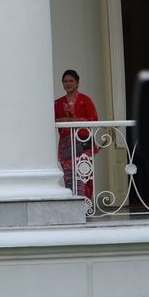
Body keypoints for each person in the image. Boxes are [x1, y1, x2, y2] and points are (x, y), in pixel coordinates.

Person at [54, 69, 99, 199]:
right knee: (69, 176)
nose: (68, 84)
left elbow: (94, 119)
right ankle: (73, 205)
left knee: (84, 174)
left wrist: (72, 120)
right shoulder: (58, 103)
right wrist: (64, 121)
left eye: (71, 81)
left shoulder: (85, 100)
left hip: (84, 142)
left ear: (77, 83)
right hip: (66, 145)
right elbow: (53, 120)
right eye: (65, 81)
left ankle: (86, 206)